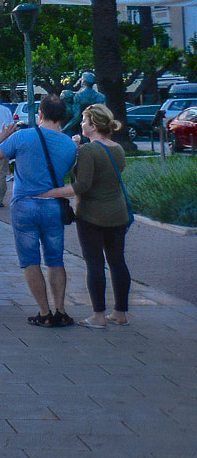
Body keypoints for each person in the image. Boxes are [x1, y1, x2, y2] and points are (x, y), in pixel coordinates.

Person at [39, 103, 131, 329]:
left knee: (95, 264)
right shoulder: (117, 148)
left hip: (92, 216)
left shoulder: (91, 150)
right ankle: (120, 312)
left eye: (84, 120)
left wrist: (49, 193)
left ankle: (98, 316)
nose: (81, 124)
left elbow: (82, 185)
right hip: (118, 214)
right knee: (117, 261)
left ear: (93, 125)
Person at [0, 94, 77, 328]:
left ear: (40, 113)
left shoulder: (22, 136)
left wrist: (3, 137)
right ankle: (61, 310)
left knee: (30, 260)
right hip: (53, 206)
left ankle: (44, 313)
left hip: (24, 205)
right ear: (63, 117)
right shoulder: (69, 144)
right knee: (55, 259)